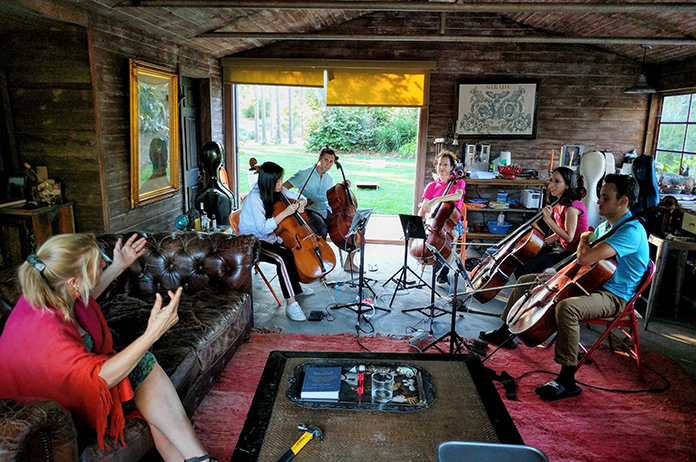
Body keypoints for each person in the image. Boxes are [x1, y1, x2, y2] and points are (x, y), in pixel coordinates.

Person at [0, 234, 216, 462]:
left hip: (70, 384)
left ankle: (198, 459)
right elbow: (96, 381)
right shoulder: (44, 327)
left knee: (155, 403)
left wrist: (119, 265)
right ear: (74, 281)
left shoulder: (52, 290)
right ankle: (200, 459)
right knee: (144, 368)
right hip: (50, 410)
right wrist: (153, 332)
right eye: (97, 263)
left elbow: (84, 296)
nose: (103, 264)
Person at [480, 175, 649, 400]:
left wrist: (585, 237)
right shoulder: (608, 226)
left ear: (623, 201)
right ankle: (506, 332)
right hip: (593, 284)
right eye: (600, 197)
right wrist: (556, 273)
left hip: (614, 296)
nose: (599, 202)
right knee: (526, 281)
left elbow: (585, 256)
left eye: (605, 198)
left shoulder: (630, 232)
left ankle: (567, 380)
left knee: (567, 308)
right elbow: (582, 260)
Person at [240, 161, 312, 322]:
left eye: (281, 180)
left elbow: (300, 197)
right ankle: (291, 303)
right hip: (252, 241)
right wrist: (286, 213)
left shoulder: (277, 189)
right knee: (282, 258)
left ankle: (296, 288)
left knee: (291, 250)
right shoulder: (254, 198)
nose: (281, 183)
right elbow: (263, 228)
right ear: (268, 182)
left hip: (270, 237)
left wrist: (302, 203)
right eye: (278, 181)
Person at [283, 146, 358, 271]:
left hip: (326, 210)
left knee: (353, 227)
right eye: (326, 160)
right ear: (319, 159)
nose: (328, 164)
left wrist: (341, 187)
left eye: (331, 162)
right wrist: (300, 201)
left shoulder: (329, 179)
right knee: (321, 229)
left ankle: (349, 262)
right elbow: (283, 189)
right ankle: (318, 262)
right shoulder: (304, 174)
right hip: (309, 211)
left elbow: (330, 197)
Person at [513, 167, 589, 278]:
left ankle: (531, 293)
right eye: (551, 180)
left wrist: (548, 220)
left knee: (525, 270)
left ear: (567, 185)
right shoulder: (558, 204)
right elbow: (559, 232)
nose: (551, 185)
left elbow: (569, 237)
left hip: (572, 253)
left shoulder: (572, 207)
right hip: (560, 247)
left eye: (557, 181)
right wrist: (542, 243)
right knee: (521, 260)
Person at [418, 150, 466, 285]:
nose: (442, 168)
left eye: (445, 165)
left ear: (451, 167)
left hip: (454, 221)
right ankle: (433, 259)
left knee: (454, 237)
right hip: (435, 222)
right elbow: (424, 207)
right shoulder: (431, 186)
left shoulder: (459, 183)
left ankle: (444, 270)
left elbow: (457, 196)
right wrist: (419, 218)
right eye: (439, 164)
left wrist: (437, 199)